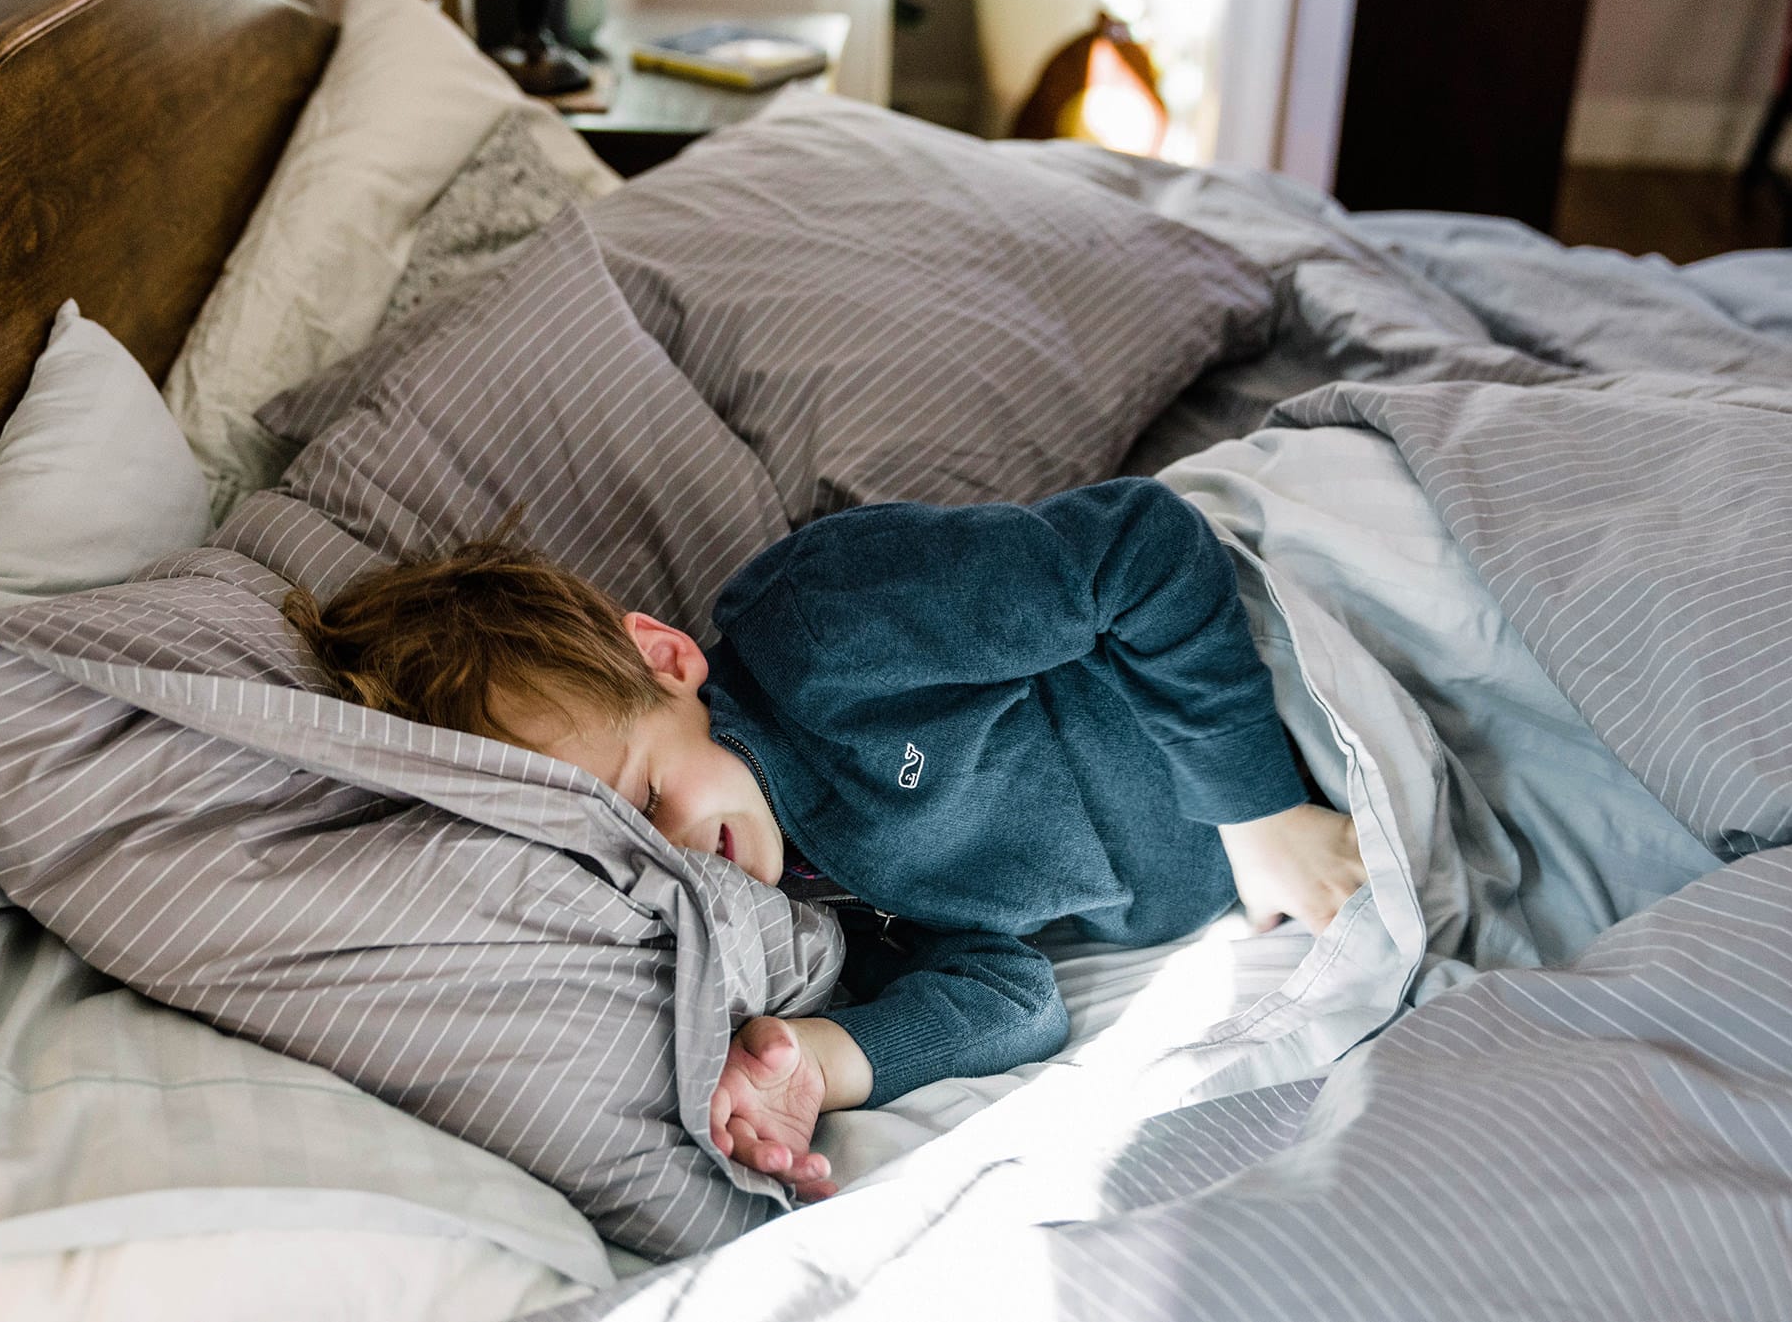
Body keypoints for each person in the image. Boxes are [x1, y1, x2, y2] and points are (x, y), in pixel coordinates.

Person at [285, 478, 1367, 1204]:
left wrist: (1256, 810)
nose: (680, 858)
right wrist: (827, 1063)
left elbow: (1140, 546)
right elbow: (1013, 994)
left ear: (664, 661)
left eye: (647, 793)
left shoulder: (822, 633)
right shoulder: (800, 905)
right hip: (1301, 830)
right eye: (626, 853)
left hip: (1280, 650)